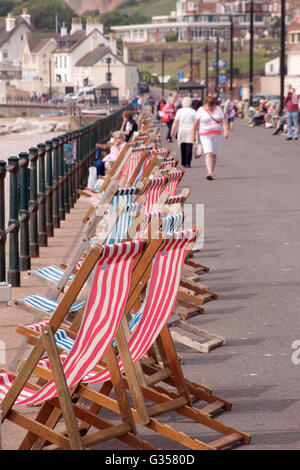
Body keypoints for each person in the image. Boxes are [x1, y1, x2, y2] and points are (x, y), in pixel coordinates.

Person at [192, 93, 228, 180]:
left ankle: (212, 171)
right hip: (205, 134)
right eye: (209, 106)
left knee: (214, 154)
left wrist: (226, 132)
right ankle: (209, 172)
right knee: (209, 153)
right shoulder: (200, 110)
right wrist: (194, 136)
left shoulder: (218, 109)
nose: (210, 108)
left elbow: (223, 121)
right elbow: (195, 124)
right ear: (206, 104)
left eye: (212, 106)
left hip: (216, 134)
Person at [170, 96, 196, 168]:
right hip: (191, 129)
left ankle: (183, 161)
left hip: (182, 129)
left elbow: (175, 121)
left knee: (183, 145)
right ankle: (188, 162)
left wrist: (172, 130)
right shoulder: (193, 111)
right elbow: (196, 122)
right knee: (189, 146)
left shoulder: (179, 111)